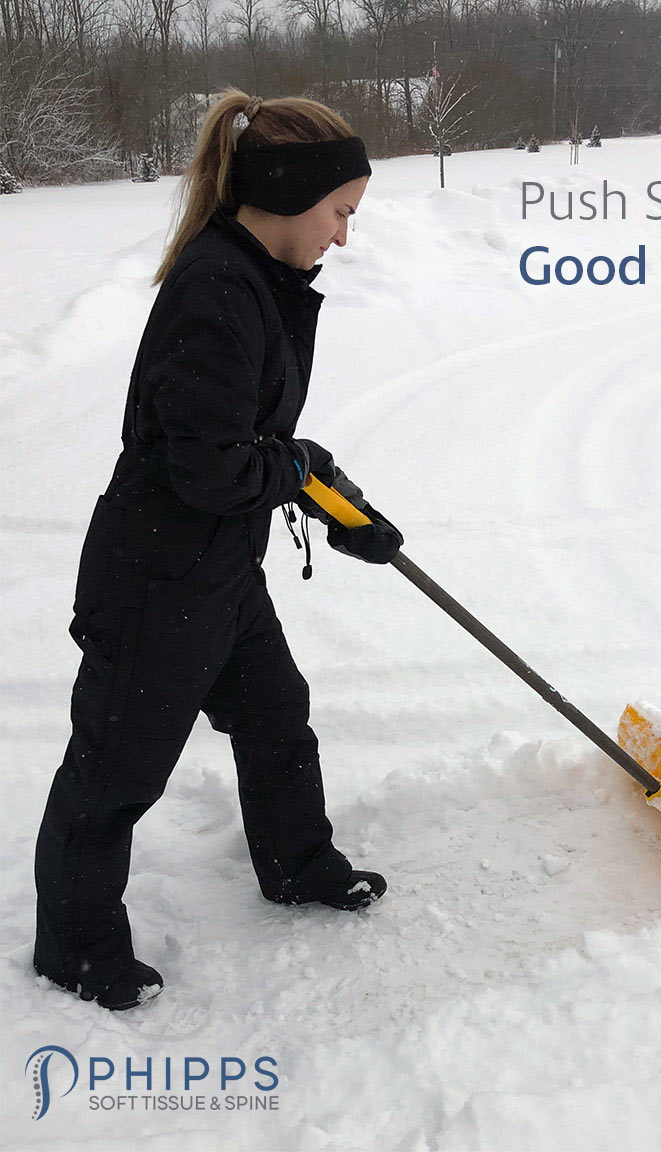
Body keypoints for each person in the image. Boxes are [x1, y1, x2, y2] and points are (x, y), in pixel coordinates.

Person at [32, 88, 403, 1012]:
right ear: (290, 190)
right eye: (341, 214)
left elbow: (247, 442)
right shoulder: (217, 292)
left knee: (277, 711)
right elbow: (207, 465)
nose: (344, 239)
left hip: (215, 565)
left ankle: (296, 863)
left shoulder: (254, 280)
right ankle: (75, 948)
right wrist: (292, 474)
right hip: (157, 576)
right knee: (114, 773)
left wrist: (332, 496)